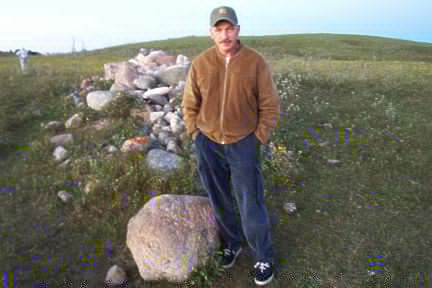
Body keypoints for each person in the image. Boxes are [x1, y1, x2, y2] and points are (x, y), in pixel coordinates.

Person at [181, 6, 280, 286]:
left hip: (243, 143)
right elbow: (190, 103)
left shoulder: (255, 62)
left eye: (229, 28)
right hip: (208, 142)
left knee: (251, 201)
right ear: (211, 33)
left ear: (237, 30)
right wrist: (194, 133)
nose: (224, 35)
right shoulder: (201, 63)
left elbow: (270, 105)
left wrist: (258, 137)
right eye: (218, 29)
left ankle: (263, 256)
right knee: (219, 197)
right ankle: (232, 242)